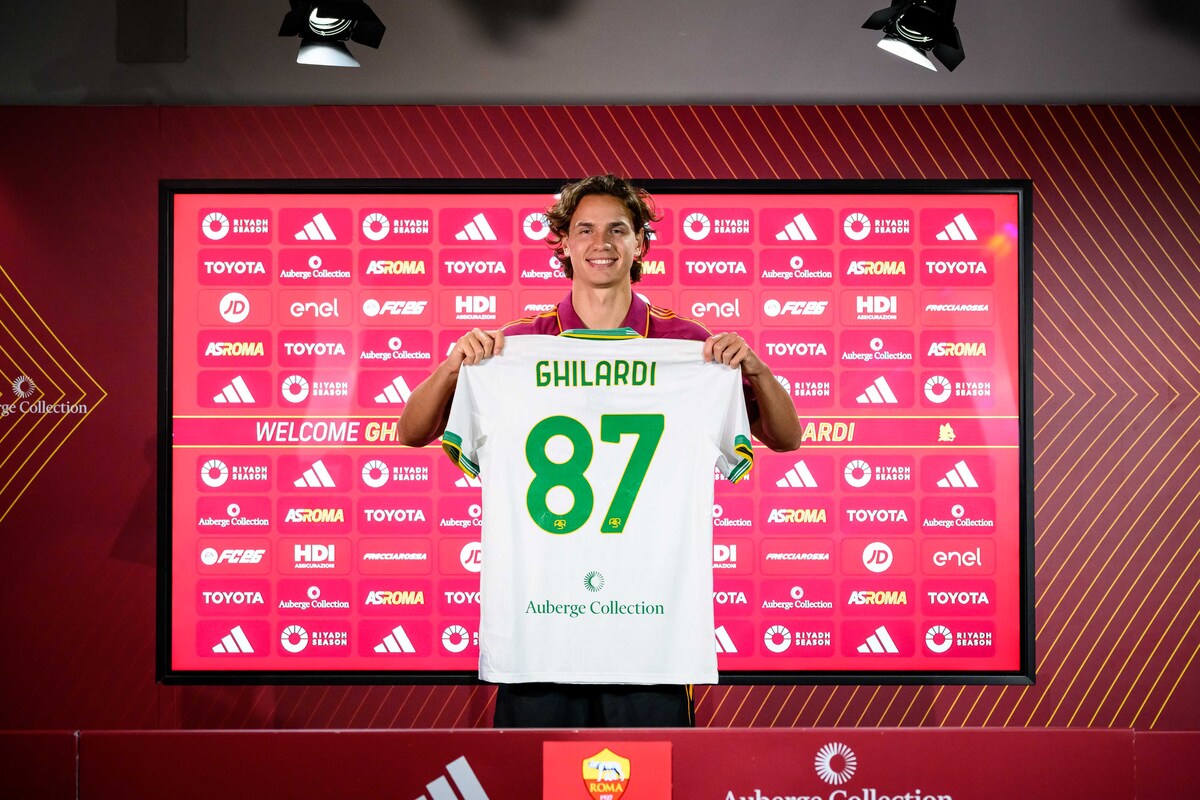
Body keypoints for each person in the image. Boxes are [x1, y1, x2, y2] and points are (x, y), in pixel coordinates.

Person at [398, 174, 802, 727]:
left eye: (618, 228)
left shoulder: (688, 348)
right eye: (584, 229)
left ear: (640, 243)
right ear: (562, 243)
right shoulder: (516, 348)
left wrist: (754, 366)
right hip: (539, 635)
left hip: (650, 637)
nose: (601, 242)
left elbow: (786, 438)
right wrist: (454, 364)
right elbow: (410, 432)